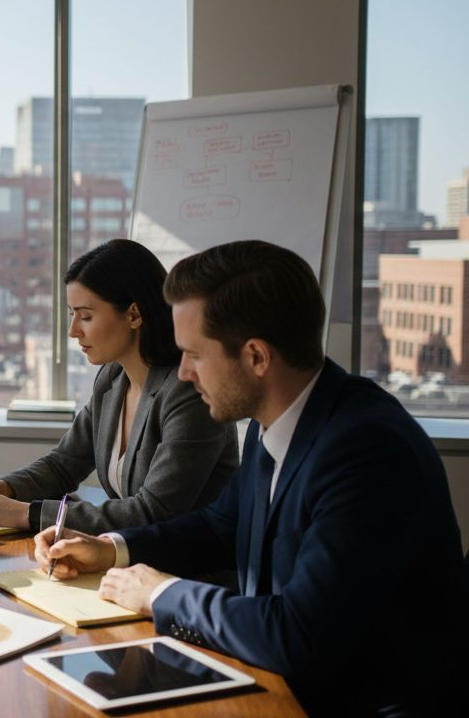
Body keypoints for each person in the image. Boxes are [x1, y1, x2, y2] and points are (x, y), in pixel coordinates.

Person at [35, 240, 465, 714]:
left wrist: (158, 592)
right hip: (279, 682)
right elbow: (220, 525)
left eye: (194, 354)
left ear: (257, 357)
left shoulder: (367, 453)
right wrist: (111, 548)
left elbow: (297, 633)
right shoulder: (275, 421)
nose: (183, 372)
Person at [0, 239, 237, 533]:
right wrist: (4, 487)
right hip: (125, 559)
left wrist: (29, 514)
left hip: (187, 569)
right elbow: (64, 463)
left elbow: (154, 511)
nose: (73, 331)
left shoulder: (189, 391)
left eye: (86, 316)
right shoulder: (112, 379)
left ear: (134, 315)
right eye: (72, 314)